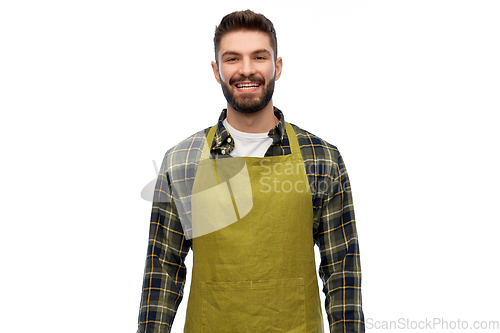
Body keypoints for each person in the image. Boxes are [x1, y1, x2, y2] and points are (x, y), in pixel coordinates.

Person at [137, 9, 365, 333]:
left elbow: (342, 270)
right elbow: (162, 273)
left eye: (259, 57)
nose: (246, 70)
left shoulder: (322, 159)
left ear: (278, 66)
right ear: (216, 70)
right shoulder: (182, 161)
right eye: (232, 59)